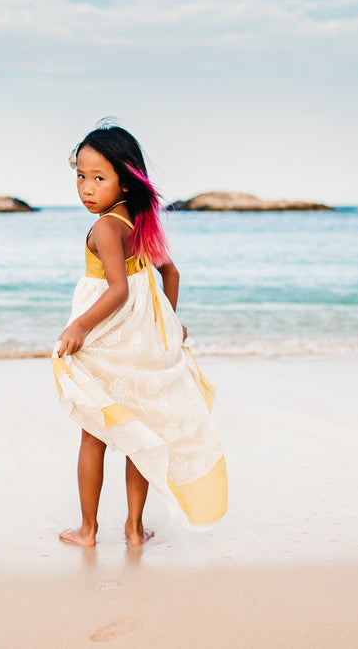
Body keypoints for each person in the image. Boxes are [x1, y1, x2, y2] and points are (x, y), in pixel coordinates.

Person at [53, 123, 227, 547]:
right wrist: (167, 320)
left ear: (125, 180)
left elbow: (118, 289)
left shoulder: (105, 229)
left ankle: (89, 530)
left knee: (95, 434)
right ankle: (133, 529)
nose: (86, 188)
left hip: (108, 342)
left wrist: (78, 326)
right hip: (140, 343)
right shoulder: (140, 220)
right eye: (81, 175)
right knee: (139, 432)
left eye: (99, 178)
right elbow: (170, 273)